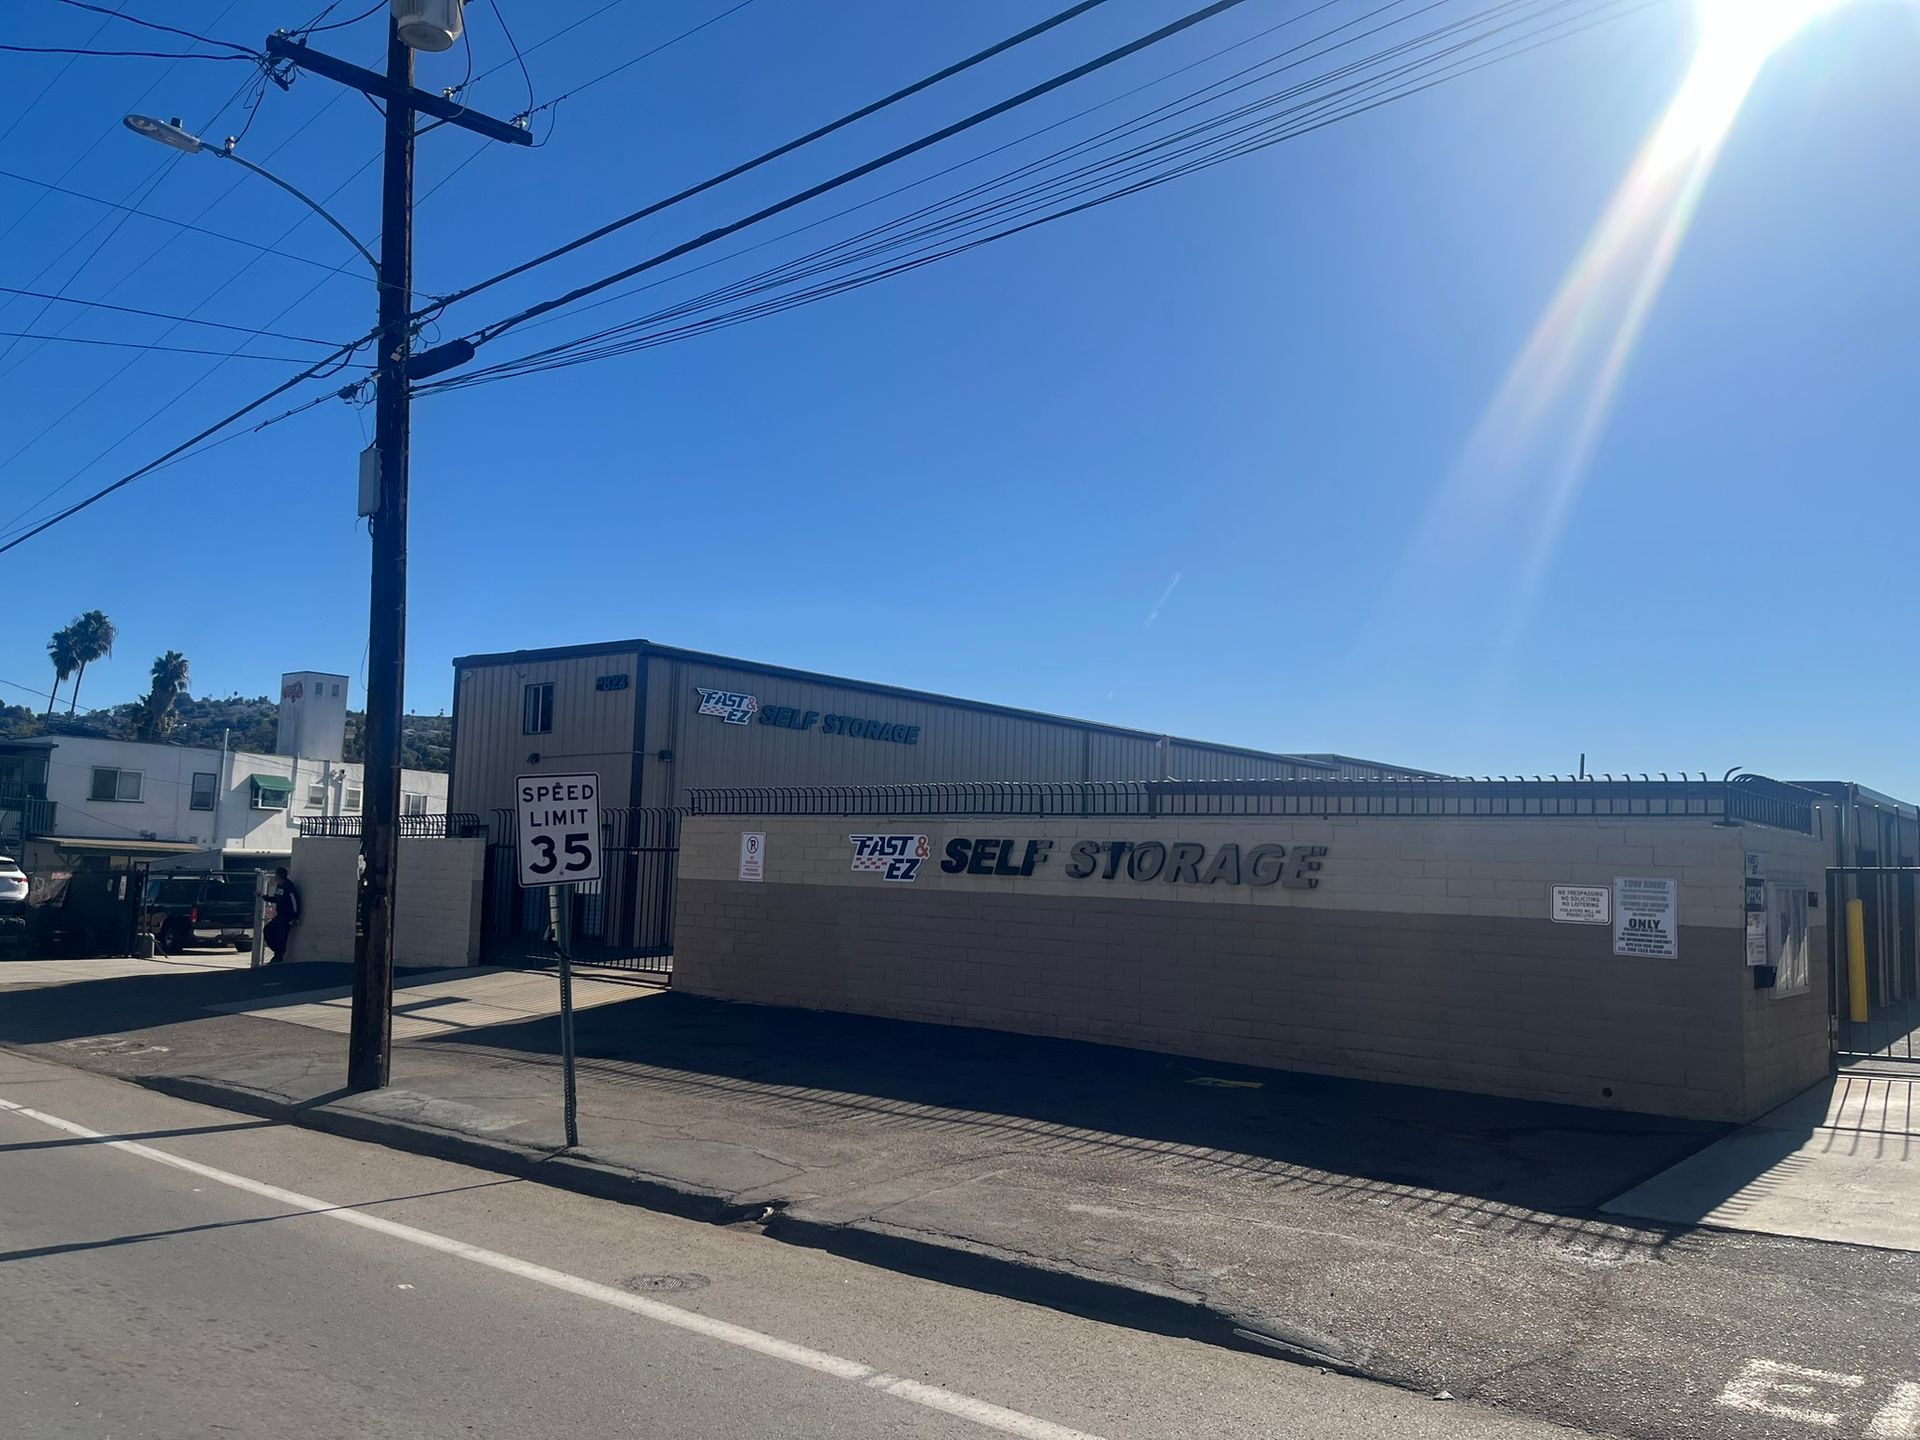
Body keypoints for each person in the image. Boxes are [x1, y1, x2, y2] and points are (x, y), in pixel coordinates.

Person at [263, 866, 301, 962]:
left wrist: (295, 916)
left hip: (287, 916)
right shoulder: (279, 886)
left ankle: (279, 956)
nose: (275, 877)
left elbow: (294, 901)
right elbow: (277, 898)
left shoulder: (288, 887)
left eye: (276, 875)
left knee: (281, 936)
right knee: (268, 930)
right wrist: (264, 897)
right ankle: (277, 952)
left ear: (279, 876)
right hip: (280, 915)